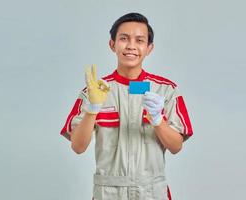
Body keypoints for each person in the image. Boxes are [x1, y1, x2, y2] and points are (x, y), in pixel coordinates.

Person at [60, 12, 193, 200]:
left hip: (151, 192)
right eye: (124, 38)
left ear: (149, 48)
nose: (131, 46)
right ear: (112, 44)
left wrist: (157, 120)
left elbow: (176, 146)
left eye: (140, 40)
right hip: (109, 192)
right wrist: (92, 108)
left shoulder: (166, 90)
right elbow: (78, 147)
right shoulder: (95, 90)